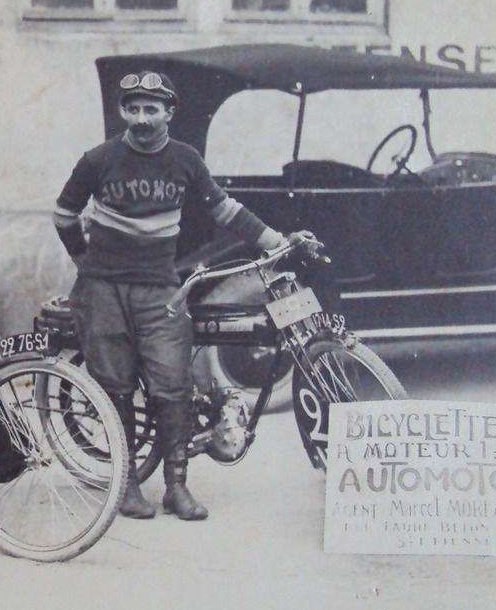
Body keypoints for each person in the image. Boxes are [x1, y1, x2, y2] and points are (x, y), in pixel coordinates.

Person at [54, 71, 310, 521]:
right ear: (122, 113)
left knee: (173, 385)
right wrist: (84, 263)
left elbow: (227, 210)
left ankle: (176, 486)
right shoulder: (98, 160)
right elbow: (63, 214)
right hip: (103, 291)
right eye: (132, 109)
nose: (141, 118)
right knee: (114, 387)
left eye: (151, 109)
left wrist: (274, 241)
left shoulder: (186, 160)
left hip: (160, 289)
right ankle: (126, 485)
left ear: (169, 113)